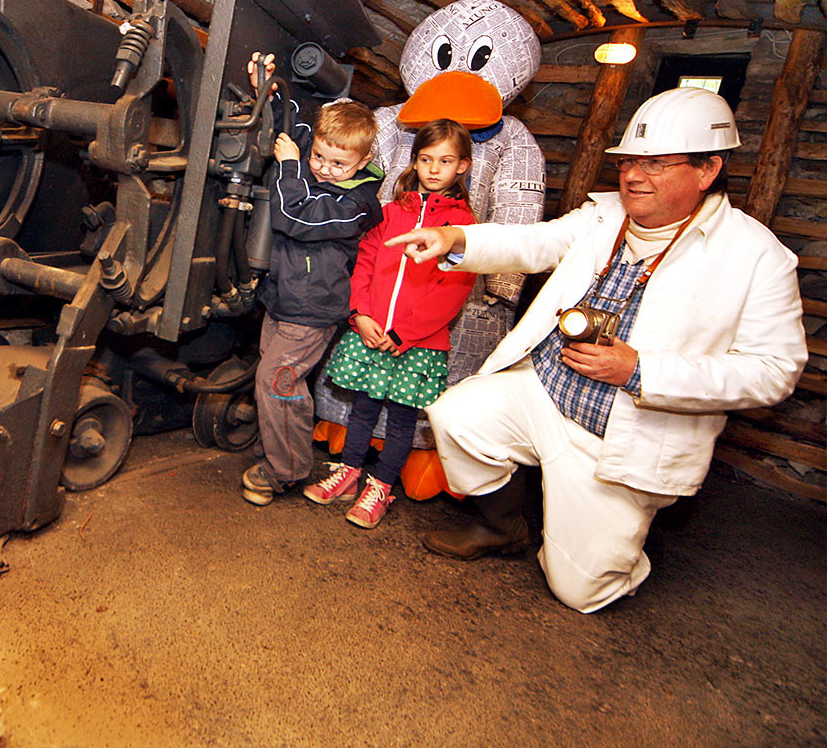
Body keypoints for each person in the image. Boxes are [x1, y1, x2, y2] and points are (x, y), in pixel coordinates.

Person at [386, 87, 806, 613]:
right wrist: (455, 239)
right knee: (455, 413)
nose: (632, 176)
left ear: (707, 170)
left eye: (654, 165)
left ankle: (603, 537)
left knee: (581, 590)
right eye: (629, 161)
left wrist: (641, 369)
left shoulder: (757, 256)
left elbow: (775, 371)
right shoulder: (604, 216)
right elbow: (535, 243)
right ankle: (501, 526)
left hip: (620, 437)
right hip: (544, 392)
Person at [303, 119, 477, 530]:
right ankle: (348, 473)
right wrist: (360, 314)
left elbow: (454, 289)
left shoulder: (463, 227)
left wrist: (406, 332)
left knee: (400, 420)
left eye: (445, 161)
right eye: (425, 159)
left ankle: (381, 485)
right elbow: (363, 262)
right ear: (414, 161)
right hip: (372, 330)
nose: (434, 169)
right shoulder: (390, 212)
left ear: (463, 166)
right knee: (362, 410)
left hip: (417, 343)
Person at [241, 52, 385, 506]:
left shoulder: (358, 203)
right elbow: (297, 121)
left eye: (338, 164)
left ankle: (284, 470)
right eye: (319, 157)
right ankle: (286, 452)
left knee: (276, 380)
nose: (323, 168)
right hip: (282, 299)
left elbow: (291, 217)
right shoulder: (318, 159)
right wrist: (267, 87)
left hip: (313, 310)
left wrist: (289, 166)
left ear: (361, 163)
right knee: (281, 383)